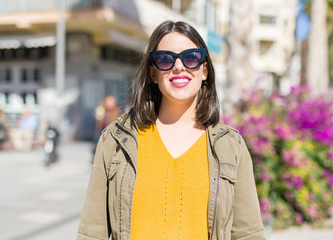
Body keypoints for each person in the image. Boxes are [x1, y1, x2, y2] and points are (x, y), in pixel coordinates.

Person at [77, 21, 265, 240]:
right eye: (165, 59)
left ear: (204, 70)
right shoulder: (116, 139)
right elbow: (92, 232)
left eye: (191, 57)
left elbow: (248, 234)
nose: (179, 66)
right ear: (153, 73)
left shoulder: (231, 145)